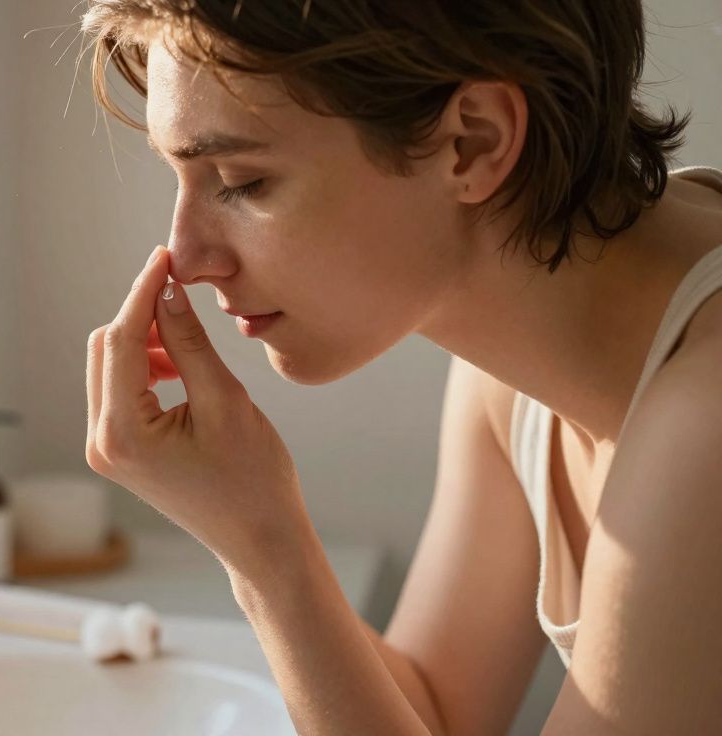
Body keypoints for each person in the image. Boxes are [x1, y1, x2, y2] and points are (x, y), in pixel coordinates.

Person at [78, 1, 722, 733]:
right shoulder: (514, 369)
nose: (188, 259)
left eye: (242, 180)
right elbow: (435, 712)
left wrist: (267, 552)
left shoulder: (706, 422)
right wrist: (244, 529)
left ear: (473, 142)